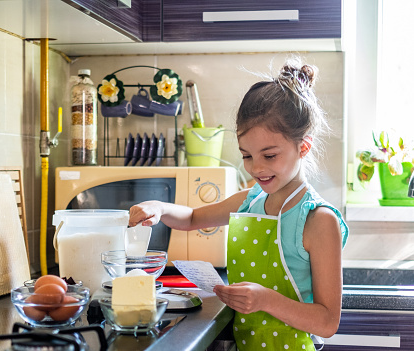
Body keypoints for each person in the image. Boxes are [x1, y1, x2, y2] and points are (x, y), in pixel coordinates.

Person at [128, 58, 349, 350]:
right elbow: (193, 218)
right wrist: (161, 207)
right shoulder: (250, 200)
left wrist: (265, 299)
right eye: (247, 156)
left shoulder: (319, 220)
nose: (256, 168)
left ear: (303, 147)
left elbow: (327, 322)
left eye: (269, 156)